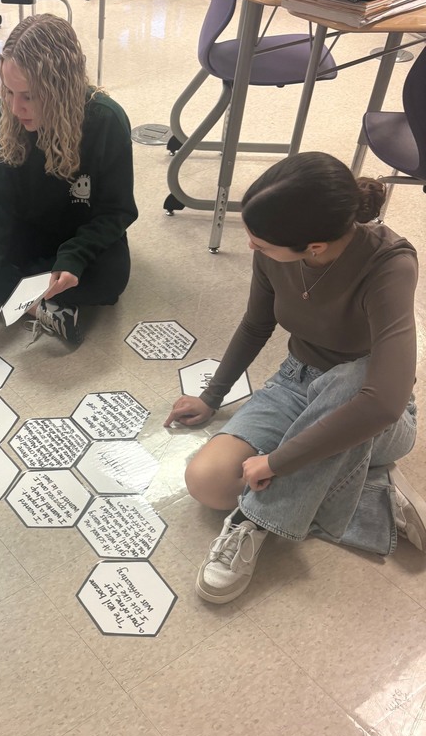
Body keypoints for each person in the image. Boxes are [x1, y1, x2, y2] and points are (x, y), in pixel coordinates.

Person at [165, 152, 425, 604]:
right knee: (208, 482)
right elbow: (256, 324)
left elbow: (384, 402)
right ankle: (368, 488)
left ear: (315, 247)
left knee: (352, 380)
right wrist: (212, 396)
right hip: (295, 381)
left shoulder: (389, 264)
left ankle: (253, 521)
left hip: (373, 412)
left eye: (261, 244)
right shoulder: (276, 249)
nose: (251, 247)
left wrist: (276, 464)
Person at [0, 14, 138, 346]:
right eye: (8, 92)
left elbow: (116, 211)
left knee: (112, 277)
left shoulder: (106, 120)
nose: (15, 106)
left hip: (80, 235)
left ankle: (15, 287)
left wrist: (74, 257)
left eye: (29, 96)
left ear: (61, 89)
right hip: (24, 231)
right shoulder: (4, 116)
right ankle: (36, 302)